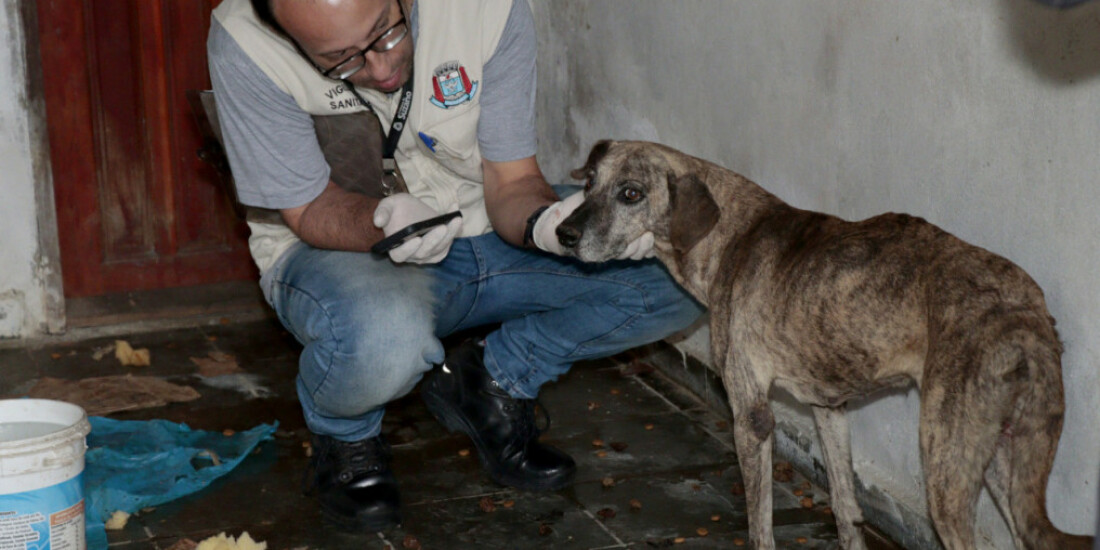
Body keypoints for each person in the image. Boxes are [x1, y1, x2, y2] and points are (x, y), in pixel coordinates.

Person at [207, 0, 703, 532]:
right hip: (342, 251)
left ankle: (494, 379)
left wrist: (544, 224)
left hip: (483, 222)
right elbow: (307, 209)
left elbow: (511, 180)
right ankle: (345, 437)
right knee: (383, 340)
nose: (381, 69)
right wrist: (381, 222)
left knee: (683, 271)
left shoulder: (485, 8)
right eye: (340, 59)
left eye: (386, 32)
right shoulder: (244, 42)